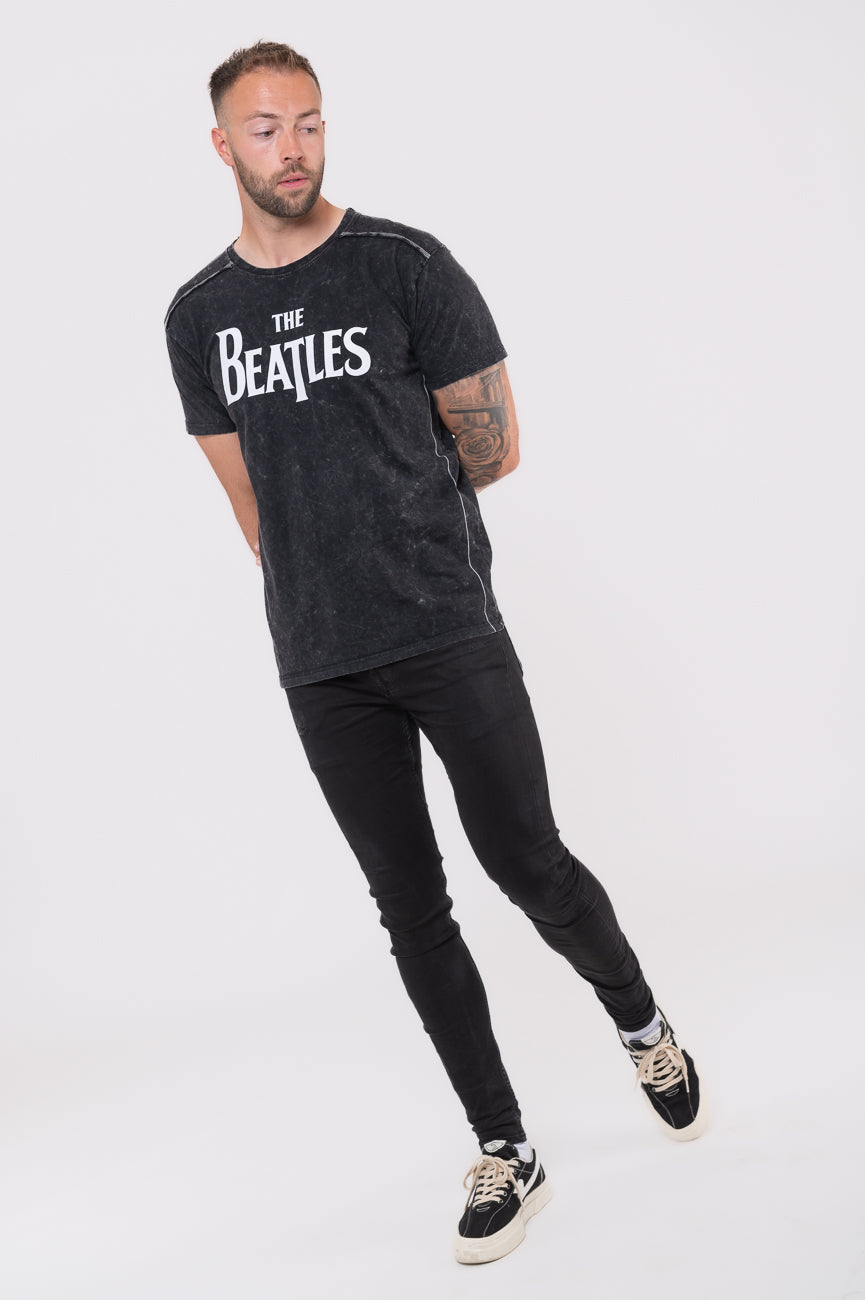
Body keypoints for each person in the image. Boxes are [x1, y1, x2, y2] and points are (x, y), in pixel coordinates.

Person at [165, 40, 705, 1266]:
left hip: (447, 626)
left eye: (308, 122)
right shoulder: (197, 315)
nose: (292, 147)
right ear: (221, 144)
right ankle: (505, 1145)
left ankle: (640, 1023)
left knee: (528, 862)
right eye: (265, 128)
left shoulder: (403, 264)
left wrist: (396, 524)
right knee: (409, 909)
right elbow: (248, 498)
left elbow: (492, 446)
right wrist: (321, 587)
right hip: (322, 661)